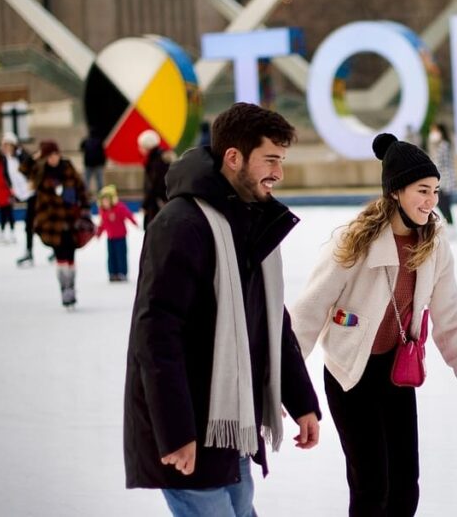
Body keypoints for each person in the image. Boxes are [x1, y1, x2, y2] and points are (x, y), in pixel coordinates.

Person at [124, 102, 321, 517]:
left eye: (281, 161)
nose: (278, 173)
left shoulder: (248, 219)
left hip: (232, 426)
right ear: (234, 158)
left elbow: (269, 320)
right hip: (189, 431)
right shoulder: (181, 224)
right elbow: (156, 335)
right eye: (270, 160)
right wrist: (176, 432)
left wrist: (301, 398)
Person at [291, 133, 457, 517]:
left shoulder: (433, 246)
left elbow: (449, 314)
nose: (431, 200)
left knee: (405, 487)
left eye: (435, 191)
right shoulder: (353, 242)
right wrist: (286, 384)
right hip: (349, 374)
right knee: (372, 485)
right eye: (422, 190)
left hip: (395, 374)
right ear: (396, 192)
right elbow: (308, 313)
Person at [23, 140, 89, 307]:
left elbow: (81, 188)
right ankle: (64, 289)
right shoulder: (41, 170)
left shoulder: (68, 168)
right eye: (49, 156)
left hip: (71, 219)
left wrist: (85, 209)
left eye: (54, 154)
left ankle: (71, 288)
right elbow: (23, 170)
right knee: (60, 256)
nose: (52, 159)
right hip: (52, 222)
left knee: (71, 255)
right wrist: (35, 157)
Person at [1, 133, 37, 266]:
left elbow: (33, 169)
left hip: (34, 193)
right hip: (23, 194)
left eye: (7, 144)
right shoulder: (5, 159)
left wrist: (31, 182)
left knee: (31, 223)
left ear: (13, 144)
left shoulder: (22, 155)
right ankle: (32, 251)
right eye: (3, 145)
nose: (4, 147)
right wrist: (13, 190)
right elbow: (7, 175)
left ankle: (29, 252)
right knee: (33, 224)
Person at [95, 184, 137, 282]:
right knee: (111, 256)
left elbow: (128, 214)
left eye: (107, 200)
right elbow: (102, 224)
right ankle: (112, 273)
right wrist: (99, 232)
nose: (105, 203)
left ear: (112, 199)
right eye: (103, 201)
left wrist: (134, 222)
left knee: (121, 255)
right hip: (110, 237)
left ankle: (122, 273)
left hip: (121, 237)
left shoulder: (119, 208)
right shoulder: (103, 211)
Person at [426, 123, 457, 237]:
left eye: (434, 131)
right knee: (443, 204)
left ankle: (451, 228)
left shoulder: (443, 145)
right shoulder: (441, 144)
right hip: (443, 179)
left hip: (445, 179)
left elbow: (438, 162)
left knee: (443, 204)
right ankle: (450, 227)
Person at [138, 129, 173, 230]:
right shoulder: (162, 157)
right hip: (161, 202)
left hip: (157, 204)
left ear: (147, 147)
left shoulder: (155, 161)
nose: (139, 149)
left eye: (141, 146)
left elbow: (153, 186)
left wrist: (145, 205)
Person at [79, 131, 107, 196]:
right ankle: (101, 195)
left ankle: (85, 194)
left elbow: (81, 148)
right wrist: (103, 163)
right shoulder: (99, 141)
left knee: (86, 180)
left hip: (88, 164)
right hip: (98, 164)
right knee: (99, 180)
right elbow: (103, 153)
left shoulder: (86, 141)